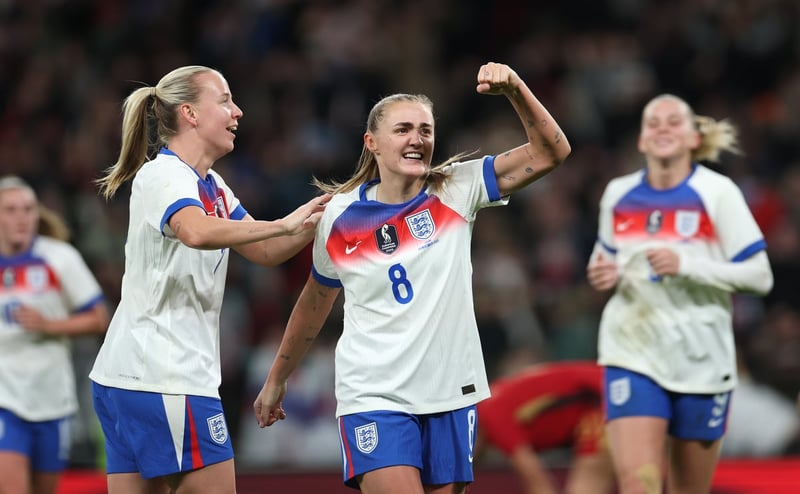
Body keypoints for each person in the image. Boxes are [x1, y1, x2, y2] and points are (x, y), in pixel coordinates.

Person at [253, 61, 571, 494]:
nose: (417, 138)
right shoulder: (340, 215)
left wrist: (516, 88)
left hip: (451, 393)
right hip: (374, 395)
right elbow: (315, 300)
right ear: (373, 143)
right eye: (403, 129)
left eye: (425, 130)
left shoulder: (458, 188)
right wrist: (277, 380)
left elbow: (552, 151)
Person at [88, 65, 329, 494]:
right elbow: (195, 231)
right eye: (224, 100)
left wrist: (321, 221)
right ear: (190, 114)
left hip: (129, 377)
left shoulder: (212, 186)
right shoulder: (163, 175)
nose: (237, 111)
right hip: (168, 378)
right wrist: (283, 225)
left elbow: (265, 251)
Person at [586, 94, 773, 494]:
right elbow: (606, 259)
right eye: (653, 123)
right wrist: (603, 273)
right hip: (632, 350)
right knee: (640, 482)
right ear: (640, 140)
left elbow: (760, 277)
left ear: (693, 137)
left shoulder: (718, 193)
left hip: (700, 358)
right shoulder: (618, 193)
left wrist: (687, 265)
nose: (663, 128)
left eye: (674, 121)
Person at [0, 176, 110, 494]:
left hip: (51, 398)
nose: (21, 217)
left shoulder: (60, 257)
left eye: (28, 209)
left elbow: (99, 318)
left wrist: (50, 326)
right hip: (5, 398)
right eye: (10, 210)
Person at [474, 361, 615, 494]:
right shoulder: (489, 401)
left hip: (605, 395)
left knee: (585, 487)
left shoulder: (492, 416)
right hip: (606, 391)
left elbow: (538, 483)